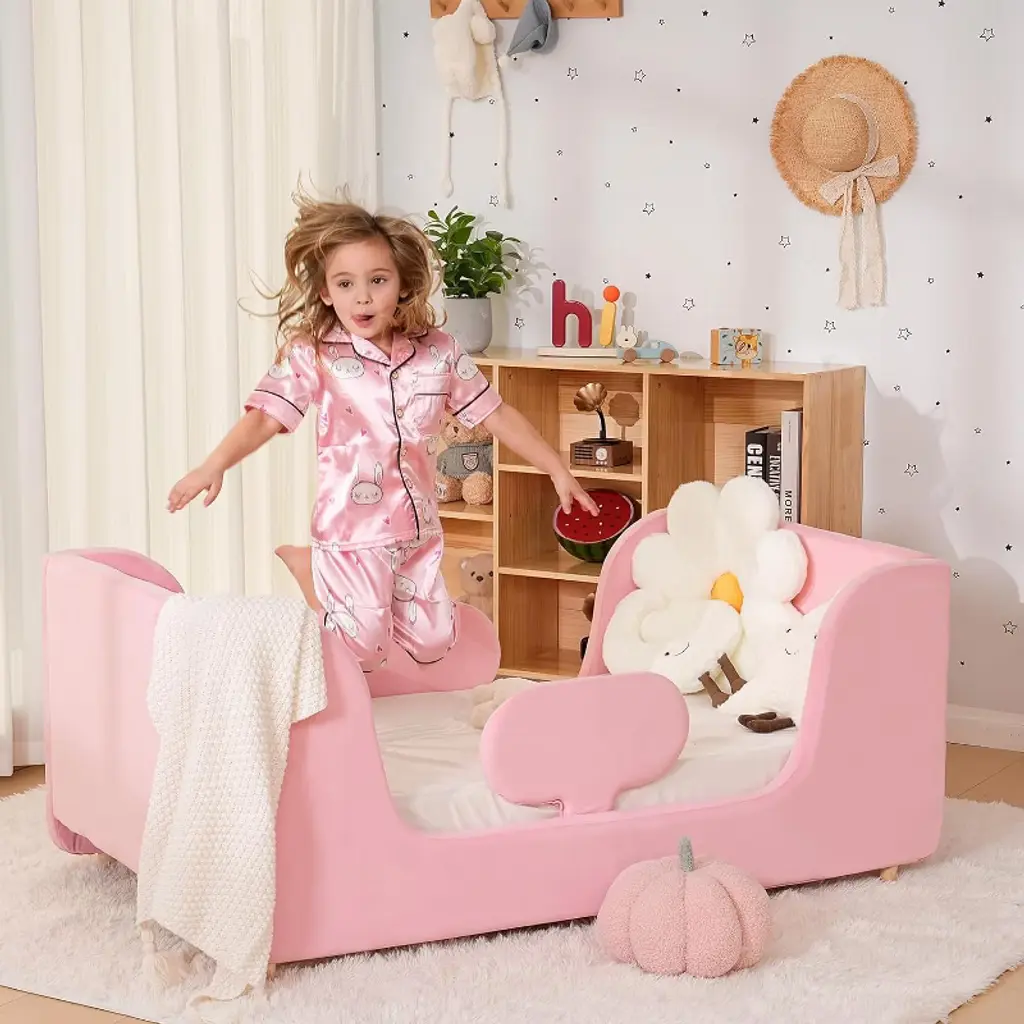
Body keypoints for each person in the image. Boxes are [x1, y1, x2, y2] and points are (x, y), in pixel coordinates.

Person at [167, 194, 598, 671]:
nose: (363, 297)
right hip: (351, 532)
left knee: (434, 642)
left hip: (418, 528)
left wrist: (557, 469)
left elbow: (496, 414)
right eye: (345, 283)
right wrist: (212, 466)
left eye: (378, 280)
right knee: (365, 650)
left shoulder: (439, 352)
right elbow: (266, 415)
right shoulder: (315, 353)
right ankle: (318, 578)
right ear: (326, 292)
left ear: (403, 284)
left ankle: (332, 591)